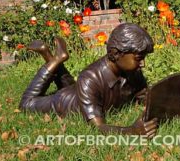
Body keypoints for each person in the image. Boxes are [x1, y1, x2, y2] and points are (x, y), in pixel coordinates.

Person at [19, 23, 158, 138]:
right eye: (139, 58)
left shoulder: (133, 72)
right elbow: (98, 127)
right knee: (26, 103)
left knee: (73, 86)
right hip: (65, 101)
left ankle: (53, 57)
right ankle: (54, 59)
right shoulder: (90, 78)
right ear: (115, 53)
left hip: (78, 90)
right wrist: (131, 131)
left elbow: (146, 98)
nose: (143, 64)